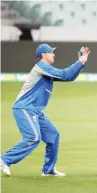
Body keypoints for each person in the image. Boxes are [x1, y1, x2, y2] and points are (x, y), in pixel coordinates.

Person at [0, 44, 91, 176]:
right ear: (43, 55)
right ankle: (4, 159)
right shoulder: (41, 67)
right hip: (24, 107)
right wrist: (80, 61)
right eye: (51, 52)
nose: (54, 54)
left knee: (53, 136)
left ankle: (48, 170)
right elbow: (64, 74)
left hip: (35, 110)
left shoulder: (47, 69)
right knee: (33, 137)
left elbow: (69, 77)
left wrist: (81, 64)